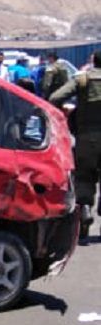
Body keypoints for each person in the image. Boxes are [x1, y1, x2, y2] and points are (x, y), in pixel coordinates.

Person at [49, 49, 101, 242]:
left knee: (85, 177)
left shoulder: (82, 80)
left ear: (93, 62)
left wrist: (67, 113)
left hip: (87, 137)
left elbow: (55, 97)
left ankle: (85, 209)